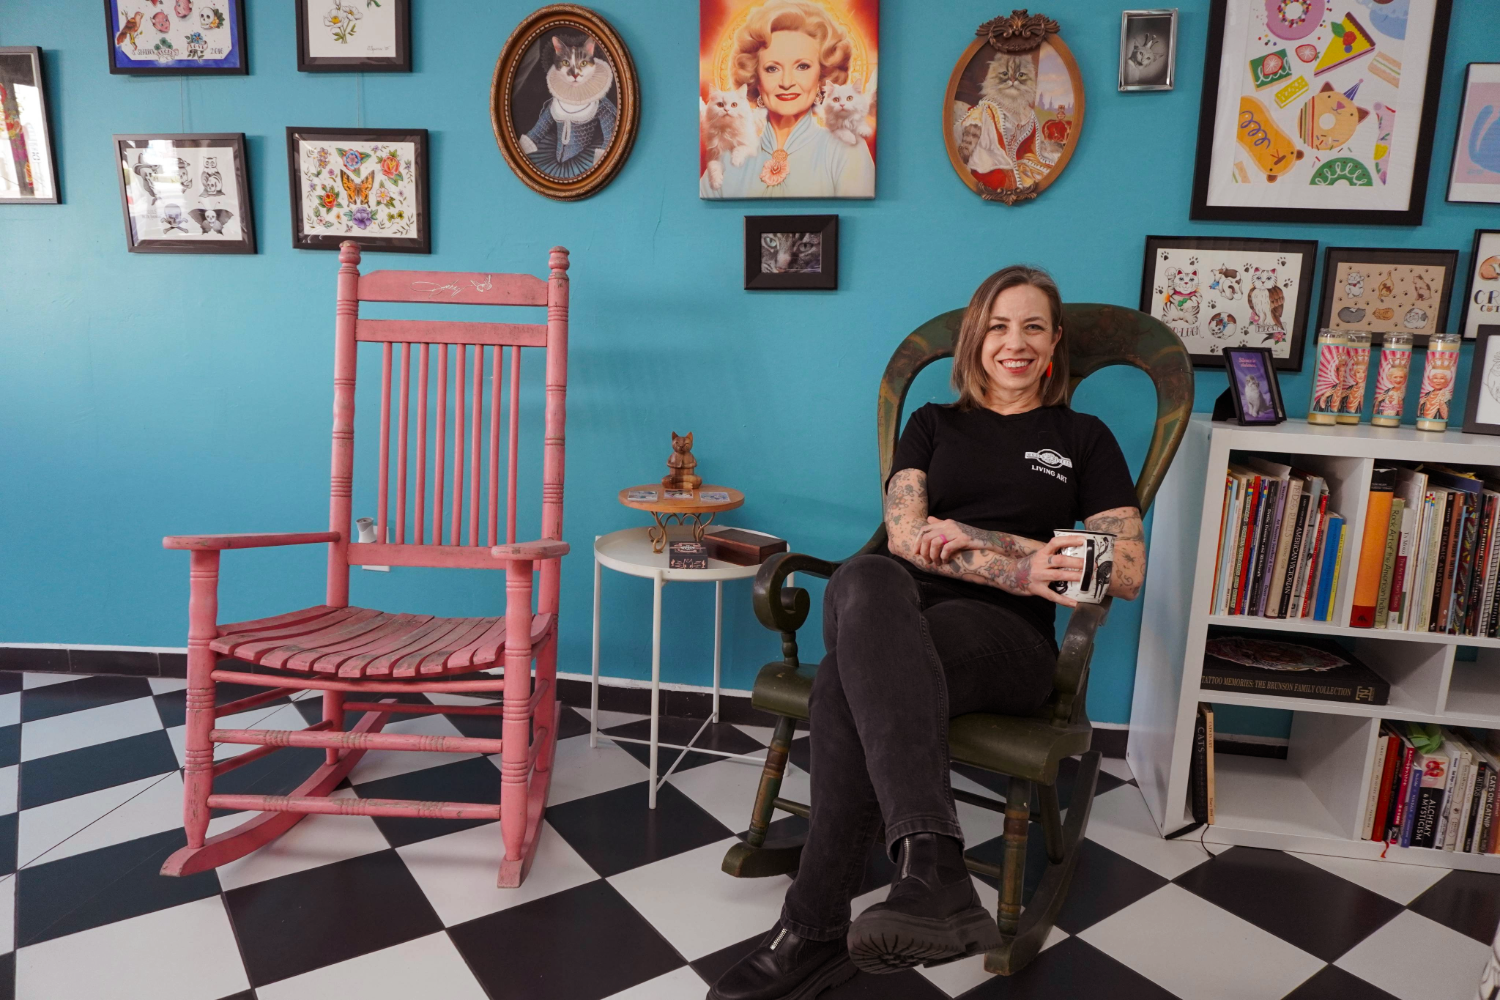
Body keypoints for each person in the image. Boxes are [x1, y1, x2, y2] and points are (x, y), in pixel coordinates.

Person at [709, 266, 1146, 1000]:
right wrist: (1029, 557)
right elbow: (907, 535)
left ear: (1055, 341)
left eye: (1034, 326)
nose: (1016, 342)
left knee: (851, 674)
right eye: (999, 326)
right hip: (900, 616)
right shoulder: (933, 425)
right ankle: (929, 867)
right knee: (861, 578)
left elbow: (1123, 571)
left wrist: (975, 544)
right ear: (974, 338)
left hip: (1008, 642)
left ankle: (813, 930)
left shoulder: (1083, 438)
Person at [700, 0, 875, 199]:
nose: (786, 82)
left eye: (802, 66)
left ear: (823, 75)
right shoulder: (728, 155)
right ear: (755, 78)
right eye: (772, 68)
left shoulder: (846, 149)